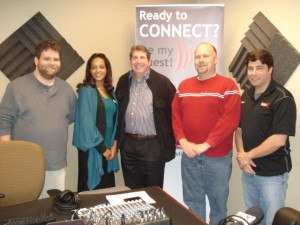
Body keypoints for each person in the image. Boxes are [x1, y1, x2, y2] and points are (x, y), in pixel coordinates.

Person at [172, 42, 241, 225]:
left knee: (218, 206)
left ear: (215, 59)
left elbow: (229, 120)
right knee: (193, 203)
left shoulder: (228, 85)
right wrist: (182, 141)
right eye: (197, 56)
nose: (201, 60)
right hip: (189, 157)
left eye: (205, 56)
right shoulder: (183, 86)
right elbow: (175, 116)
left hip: (217, 159)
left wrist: (205, 145)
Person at [0, 40, 77, 198]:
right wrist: (9, 159)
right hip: (23, 165)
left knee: (54, 210)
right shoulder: (16, 87)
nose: (51, 63)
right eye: (46, 59)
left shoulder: (67, 90)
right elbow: (3, 122)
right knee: (24, 211)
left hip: (56, 165)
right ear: (36, 60)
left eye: (55, 59)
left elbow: (69, 118)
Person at [235, 49, 297, 225]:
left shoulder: (282, 97)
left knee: (272, 221)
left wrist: (248, 155)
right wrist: (241, 155)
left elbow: (278, 140)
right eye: (250, 68)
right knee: (252, 220)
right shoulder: (245, 95)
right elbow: (238, 130)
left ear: (270, 69)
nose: (253, 73)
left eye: (259, 68)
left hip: (273, 175)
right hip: (249, 172)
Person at [115, 45, 176, 189]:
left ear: (149, 61)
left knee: (153, 191)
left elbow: (174, 114)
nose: (138, 61)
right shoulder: (123, 81)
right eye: (135, 58)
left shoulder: (163, 83)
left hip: (152, 145)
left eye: (142, 58)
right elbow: (118, 112)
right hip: (128, 145)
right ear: (130, 60)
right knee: (131, 191)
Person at [73, 53, 119, 192]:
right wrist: (102, 149)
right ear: (89, 70)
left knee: (107, 192)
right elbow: (86, 124)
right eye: (94, 67)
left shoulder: (111, 92)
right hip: (94, 149)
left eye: (101, 67)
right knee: (92, 195)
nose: (98, 70)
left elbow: (116, 120)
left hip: (110, 149)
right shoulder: (86, 91)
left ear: (107, 69)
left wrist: (114, 145)